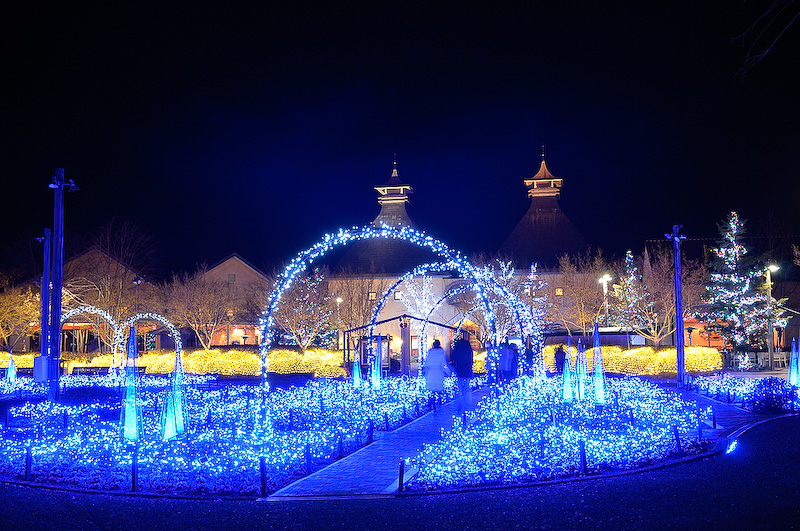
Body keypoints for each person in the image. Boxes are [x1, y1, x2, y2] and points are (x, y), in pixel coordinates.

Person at [423, 339, 451, 408]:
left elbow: (426, 365)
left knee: (431, 391)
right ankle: (439, 405)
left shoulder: (429, 354)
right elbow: (444, 366)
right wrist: (448, 373)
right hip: (439, 374)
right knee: (439, 391)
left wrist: (425, 374)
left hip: (430, 374)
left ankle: (430, 404)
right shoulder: (441, 354)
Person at [450, 334, 474, 414]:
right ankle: (466, 405)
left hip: (459, 368)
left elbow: (453, 357)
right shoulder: (467, 345)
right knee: (466, 387)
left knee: (459, 387)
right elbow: (471, 356)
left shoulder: (457, 345)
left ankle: (459, 405)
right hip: (467, 368)